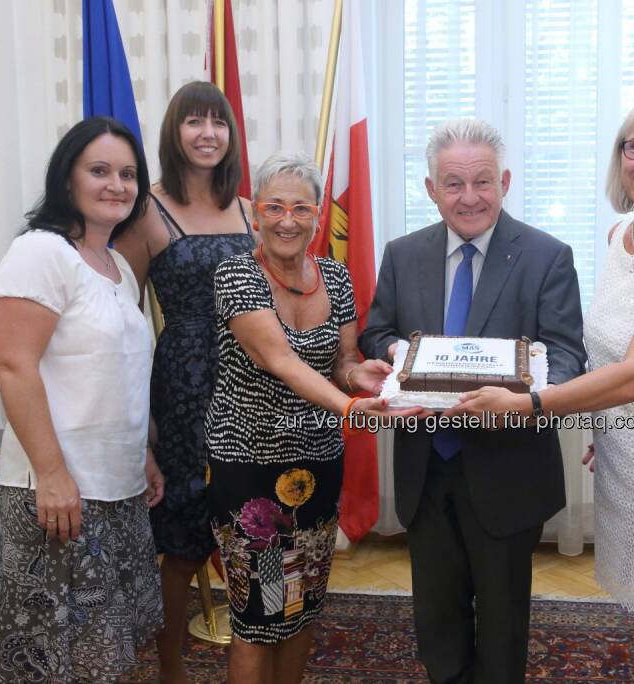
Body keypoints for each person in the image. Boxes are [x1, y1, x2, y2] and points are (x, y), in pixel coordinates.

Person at [446, 97, 634, 684]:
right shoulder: (623, 236)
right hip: (627, 448)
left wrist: (526, 404)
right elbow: (609, 349)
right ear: (621, 156)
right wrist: (605, 428)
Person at [359, 118, 587, 683]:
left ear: (504, 182)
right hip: (425, 466)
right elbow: (374, 333)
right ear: (431, 189)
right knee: (436, 618)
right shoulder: (402, 254)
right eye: (453, 184)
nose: (469, 197)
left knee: (504, 623)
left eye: (482, 182)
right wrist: (396, 353)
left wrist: (527, 392)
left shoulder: (546, 256)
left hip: (507, 470)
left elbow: (566, 356)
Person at [205, 152, 416, 683]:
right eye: (274, 207)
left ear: (318, 217)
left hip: (316, 468)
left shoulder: (337, 279)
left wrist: (359, 376)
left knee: (298, 605)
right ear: (256, 214)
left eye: (301, 209)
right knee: (258, 615)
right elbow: (279, 359)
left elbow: (340, 361)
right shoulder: (236, 274)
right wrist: (349, 407)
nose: (286, 221)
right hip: (249, 468)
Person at [0, 116, 164, 682]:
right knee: (53, 658)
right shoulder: (41, 252)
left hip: (118, 489)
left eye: (129, 174)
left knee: (105, 652)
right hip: (58, 492)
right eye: (100, 170)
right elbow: (14, 366)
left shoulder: (117, 266)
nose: (117, 184)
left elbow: (114, 374)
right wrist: (52, 472)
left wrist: (143, 455)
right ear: (68, 179)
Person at [114, 81, 255, 681]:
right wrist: (140, 420)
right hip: (183, 387)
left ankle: (260, 648)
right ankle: (170, 666)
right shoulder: (145, 208)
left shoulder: (251, 208)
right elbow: (121, 316)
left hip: (253, 379)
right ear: (174, 134)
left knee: (255, 521)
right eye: (193, 122)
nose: (207, 134)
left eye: (218, 123)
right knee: (183, 534)